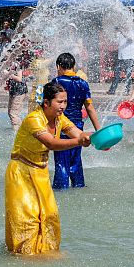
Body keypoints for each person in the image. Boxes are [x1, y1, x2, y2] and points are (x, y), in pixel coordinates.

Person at [4, 81, 91, 255]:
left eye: (65, 102)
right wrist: (78, 141)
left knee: (50, 215)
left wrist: (95, 138)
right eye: (59, 102)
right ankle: (24, 256)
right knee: (26, 218)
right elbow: (51, 143)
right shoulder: (34, 119)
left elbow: (77, 133)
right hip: (20, 172)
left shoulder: (60, 119)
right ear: (46, 103)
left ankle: (46, 253)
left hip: (40, 172)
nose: (63, 106)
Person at [52, 53, 101, 187]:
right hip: (78, 127)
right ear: (74, 66)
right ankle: (79, 185)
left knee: (62, 162)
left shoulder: (56, 82)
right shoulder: (83, 84)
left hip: (61, 127)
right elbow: (90, 108)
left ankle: (60, 189)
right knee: (75, 161)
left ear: (58, 66)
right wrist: (99, 131)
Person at [108, 26, 134, 95]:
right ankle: (112, 90)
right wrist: (115, 32)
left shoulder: (133, 33)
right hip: (120, 57)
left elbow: (130, 39)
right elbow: (114, 40)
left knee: (128, 76)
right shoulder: (120, 34)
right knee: (116, 75)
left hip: (129, 58)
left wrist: (122, 32)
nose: (124, 26)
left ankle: (127, 91)